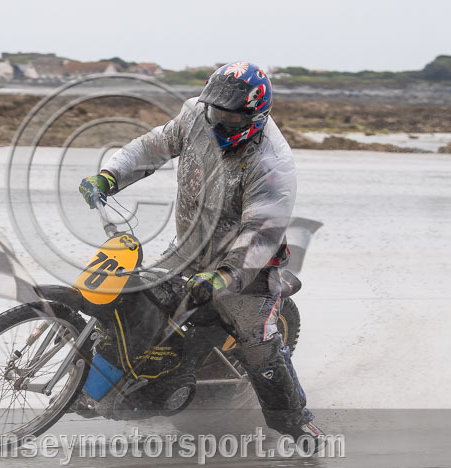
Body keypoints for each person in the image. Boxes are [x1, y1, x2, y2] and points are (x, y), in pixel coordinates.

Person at [78, 61, 324, 441]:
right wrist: (110, 175)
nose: (220, 121)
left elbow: (261, 233)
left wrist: (223, 275)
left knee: (259, 346)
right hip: (189, 249)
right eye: (216, 111)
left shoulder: (272, 164)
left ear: (256, 116)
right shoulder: (194, 115)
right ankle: (113, 384)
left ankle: (298, 424)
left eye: (232, 117)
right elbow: (151, 147)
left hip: (248, 270)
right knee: (135, 298)